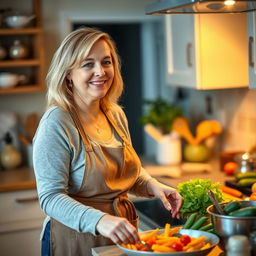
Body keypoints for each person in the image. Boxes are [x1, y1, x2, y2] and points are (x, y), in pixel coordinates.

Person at [33, 27, 183, 256]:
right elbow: (50, 197)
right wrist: (101, 220)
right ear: (68, 73)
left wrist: (153, 185)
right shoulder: (57, 122)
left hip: (121, 235)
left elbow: (125, 172)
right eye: (87, 64)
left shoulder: (115, 114)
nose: (100, 72)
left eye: (106, 62)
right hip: (74, 239)